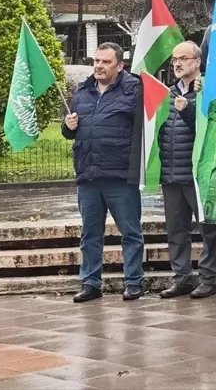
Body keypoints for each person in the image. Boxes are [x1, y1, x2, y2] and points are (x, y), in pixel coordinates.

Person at [62, 43, 145, 303]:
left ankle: (133, 282)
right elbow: (72, 130)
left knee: (130, 232)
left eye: (105, 62)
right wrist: (68, 127)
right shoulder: (82, 91)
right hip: (88, 174)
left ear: (120, 66)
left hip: (120, 175)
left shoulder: (134, 90)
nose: (98, 65)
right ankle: (91, 283)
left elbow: (147, 125)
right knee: (90, 234)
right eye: (96, 60)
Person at [158, 41, 216, 299]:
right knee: (176, 230)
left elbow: (211, 125)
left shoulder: (207, 91)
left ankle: (208, 278)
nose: (177, 64)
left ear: (197, 62)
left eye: (183, 58)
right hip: (171, 172)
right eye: (174, 60)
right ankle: (182, 278)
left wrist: (190, 109)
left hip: (197, 174)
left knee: (208, 228)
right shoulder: (167, 94)